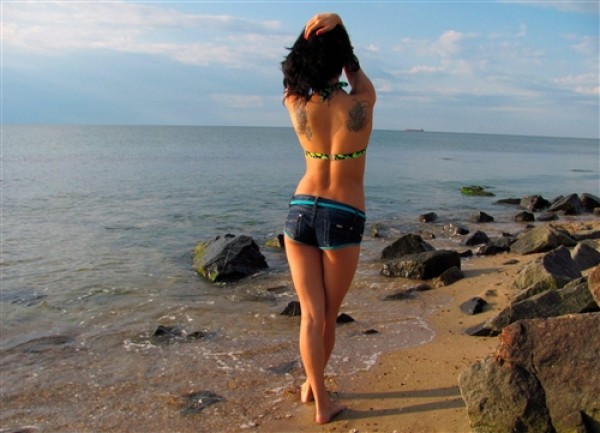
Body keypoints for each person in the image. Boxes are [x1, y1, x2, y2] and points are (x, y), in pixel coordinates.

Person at [280, 13, 376, 425]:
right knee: (328, 315)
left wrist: (312, 41)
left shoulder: (295, 103)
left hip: (301, 209)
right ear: (341, 58)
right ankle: (322, 403)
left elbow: (291, 78)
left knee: (311, 315)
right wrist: (341, 31)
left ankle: (312, 386)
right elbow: (357, 77)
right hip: (343, 213)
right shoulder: (361, 102)